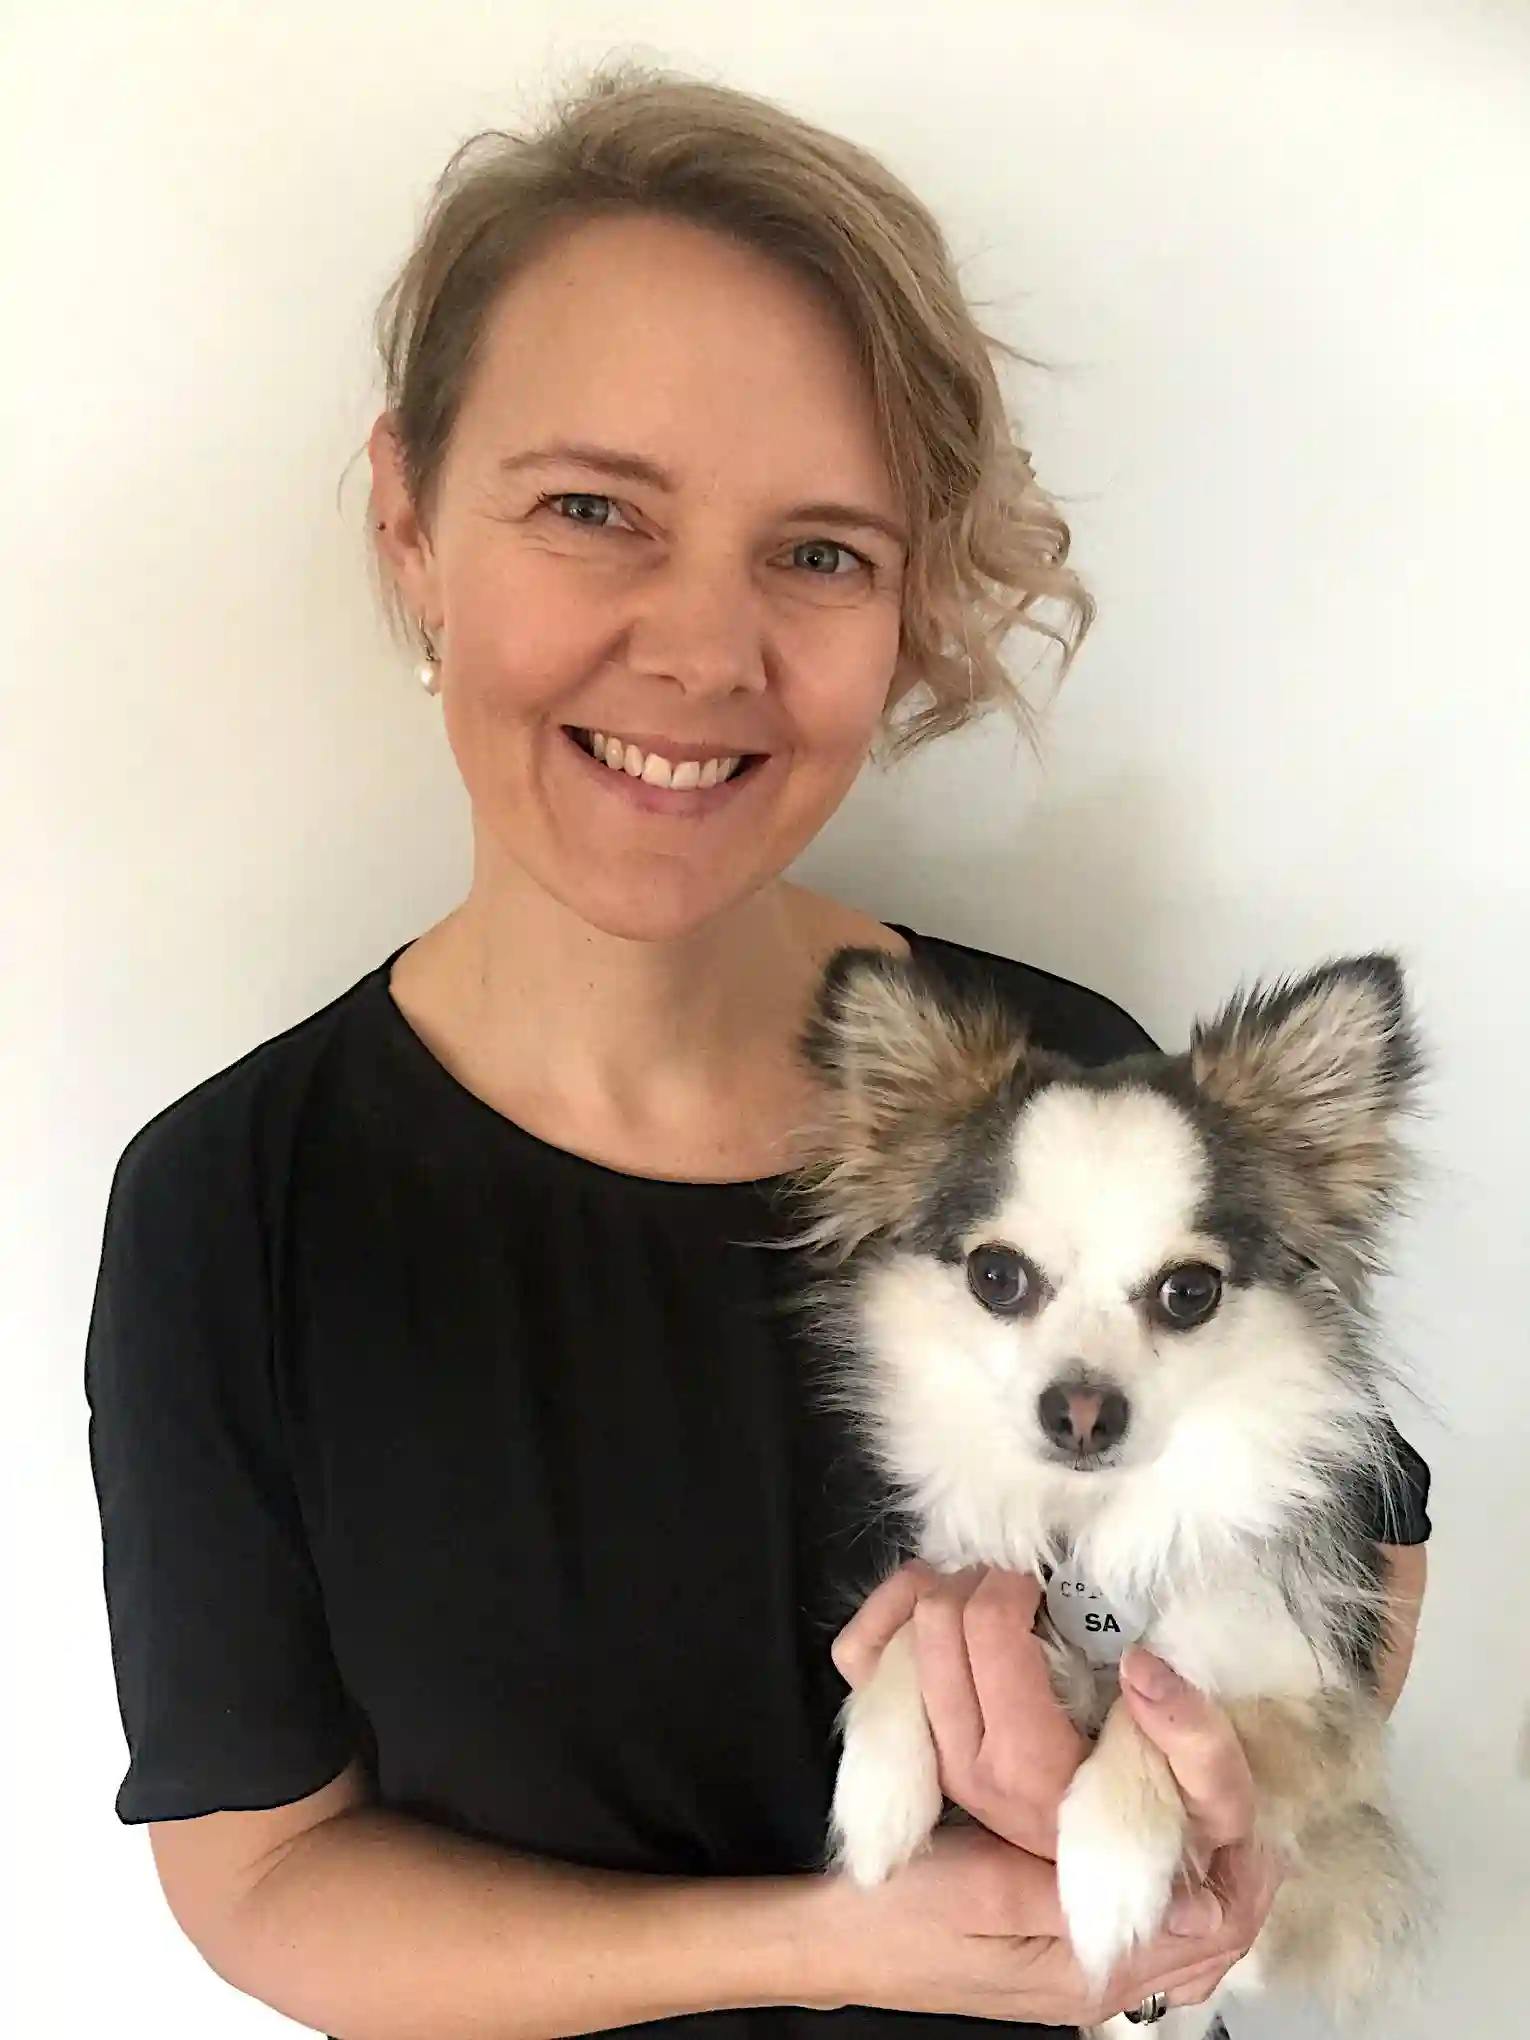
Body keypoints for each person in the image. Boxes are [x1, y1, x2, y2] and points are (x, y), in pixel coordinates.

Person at [84, 65, 1431, 2040]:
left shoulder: (1081, 1100)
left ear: (907, 611)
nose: (703, 653)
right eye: (593, 509)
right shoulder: (233, 1212)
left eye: (819, 552)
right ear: (410, 522)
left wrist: (1215, 1841)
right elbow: (266, 1877)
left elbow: (1357, 1554)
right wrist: (831, 1945)